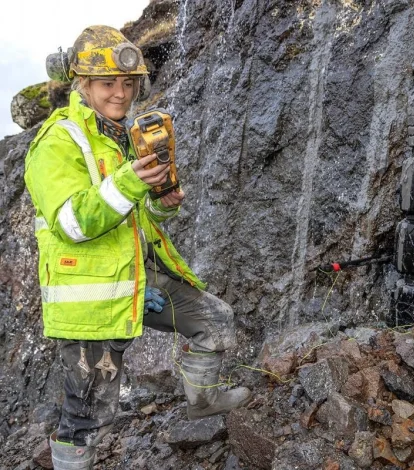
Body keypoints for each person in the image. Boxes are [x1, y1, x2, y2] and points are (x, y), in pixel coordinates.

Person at [24, 25, 251, 470]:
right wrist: (131, 181)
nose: (121, 93)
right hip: (91, 301)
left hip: (137, 280)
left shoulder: (119, 136)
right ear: (82, 84)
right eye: (108, 83)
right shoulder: (56, 142)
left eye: (128, 83)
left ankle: (202, 403)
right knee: (90, 414)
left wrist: (161, 206)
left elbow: (133, 218)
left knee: (214, 320)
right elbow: (71, 221)